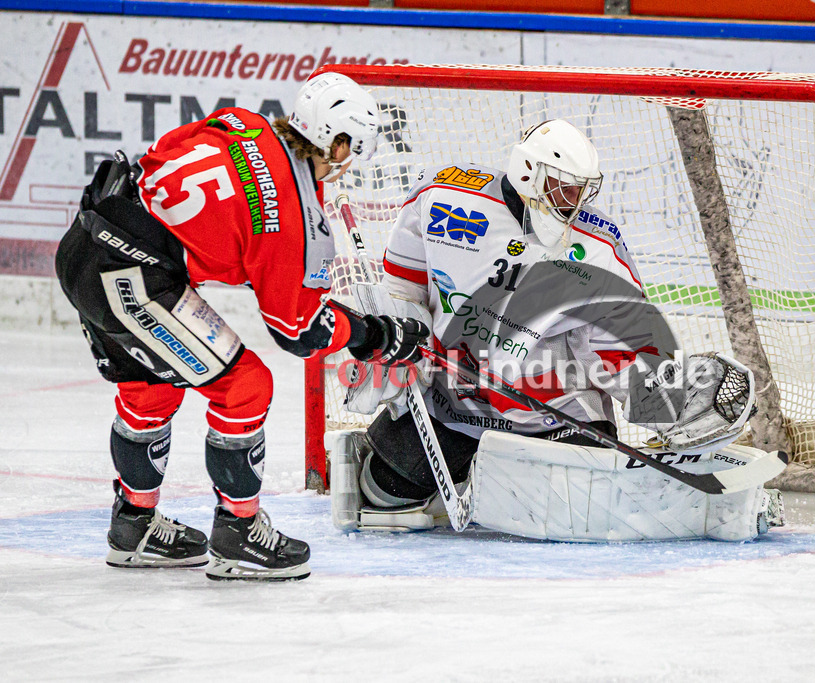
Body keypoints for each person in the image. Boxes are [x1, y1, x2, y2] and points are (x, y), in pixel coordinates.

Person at [54, 73, 428, 581]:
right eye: (352, 150)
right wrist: (374, 336)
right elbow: (299, 332)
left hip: (85, 241)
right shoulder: (296, 221)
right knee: (246, 386)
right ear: (337, 143)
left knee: (150, 389)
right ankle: (238, 533)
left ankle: (133, 526)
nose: (348, 164)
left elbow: (166, 161)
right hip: (131, 278)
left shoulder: (244, 123)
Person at [342, 119, 765, 540]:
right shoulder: (443, 199)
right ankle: (461, 475)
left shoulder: (596, 248)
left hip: (557, 416)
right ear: (528, 172)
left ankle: (489, 477)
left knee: (578, 517)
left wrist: (662, 399)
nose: (575, 201)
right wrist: (393, 347)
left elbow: (625, 345)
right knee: (383, 492)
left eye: (581, 190)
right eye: (564, 188)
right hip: (454, 403)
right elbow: (402, 289)